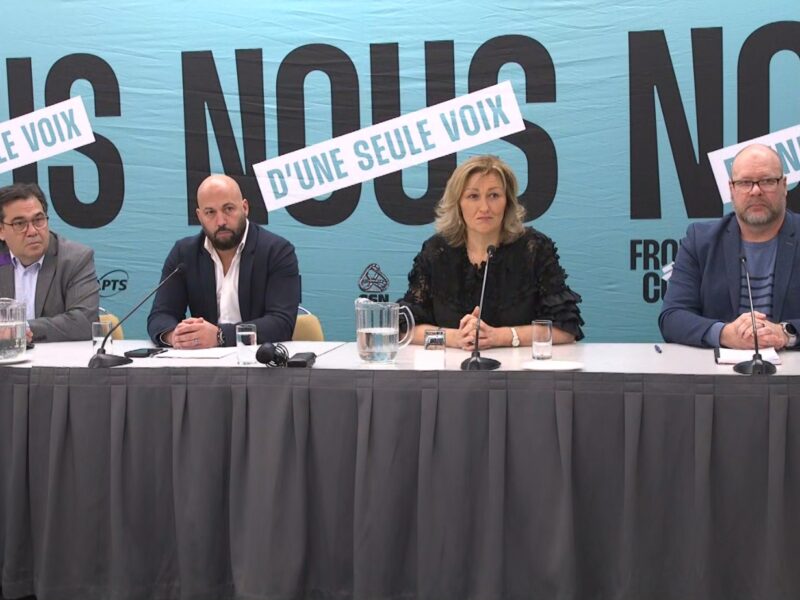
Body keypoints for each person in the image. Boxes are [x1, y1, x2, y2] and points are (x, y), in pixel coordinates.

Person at [399, 155, 583, 350]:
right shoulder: (437, 251)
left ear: (508, 201)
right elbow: (405, 328)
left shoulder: (534, 249)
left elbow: (566, 330)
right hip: (451, 373)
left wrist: (501, 337)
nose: (484, 207)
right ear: (458, 203)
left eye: (494, 195)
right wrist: (453, 338)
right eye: (473, 196)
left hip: (521, 372)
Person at [659, 143, 800, 349]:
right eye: (745, 183)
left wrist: (786, 333)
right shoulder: (700, 240)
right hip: (719, 375)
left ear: (784, 186)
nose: (756, 191)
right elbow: (672, 317)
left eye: (767, 181)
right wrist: (724, 334)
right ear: (731, 189)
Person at [147, 174, 300, 348]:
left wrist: (220, 336)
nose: (221, 221)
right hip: (204, 366)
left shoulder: (277, 251)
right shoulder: (184, 253)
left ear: (245, 207)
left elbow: (281, 324)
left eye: (228, 209)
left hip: (260, 363)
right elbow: (160, 315)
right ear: (199, 216)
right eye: (210, 212)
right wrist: (175, 336)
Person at [0, 182, 99, 342]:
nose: (32, 231)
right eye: (20, 224)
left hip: (54, 362)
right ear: (1, 231)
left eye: (38, 220)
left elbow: (84, 322)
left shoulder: (75, 258)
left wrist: (22, 329)